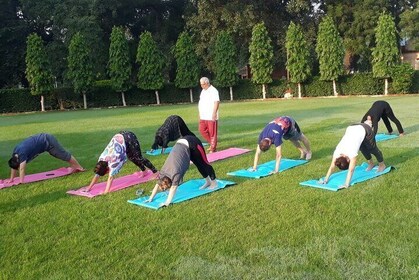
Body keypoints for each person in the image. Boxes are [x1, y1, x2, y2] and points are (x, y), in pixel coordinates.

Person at [146, 135, 217, 207]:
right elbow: (157, 184)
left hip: (192, 142)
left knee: (203, 163)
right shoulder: (162, 173)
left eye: (165, 188)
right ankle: (208, 182)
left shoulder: (176, 174)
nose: (165, 189)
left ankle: (214, 182)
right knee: (198, 164)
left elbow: (173, 188)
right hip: (183, 146)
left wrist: (167, 203)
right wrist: (150, 198)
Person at [85, 131, 158, 194]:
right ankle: (144, 171)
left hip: (129, 137)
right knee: (132, 157)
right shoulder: (101, 161)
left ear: (107, 168)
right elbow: (97, 174)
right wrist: (89, 187)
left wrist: (106, 191)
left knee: (138, 157)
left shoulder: (113, 163)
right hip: (121, 139)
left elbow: (110, 178)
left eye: (106, 172)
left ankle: (156, 172)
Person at [321, 122, 386, 189]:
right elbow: (332, 167)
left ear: (348, 160)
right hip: (353, 128)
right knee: (363, 149)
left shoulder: (352, 152)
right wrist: (325, 179)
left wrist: (346, 184)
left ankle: (382, 164)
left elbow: (351, 170)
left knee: (372, 149)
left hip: (365, 129)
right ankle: (371, 164)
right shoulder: (337, 152)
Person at [6, 133, 84, 184]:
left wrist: (21, 181)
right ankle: (74, 167)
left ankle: (80, 167)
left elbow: (22, 169)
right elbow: (14, 167)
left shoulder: (21, 154)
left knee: (62, 154)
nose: (18, 167)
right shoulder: (15, 154)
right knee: (59, 155)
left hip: (47, 140)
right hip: (43, 142)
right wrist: (11, 179)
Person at [198, 77, 220, 153]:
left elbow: (216, 102)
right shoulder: (203, 91)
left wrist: (214, 113)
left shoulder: (213, 91)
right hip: (203, 116)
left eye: (203, 84)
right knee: (202, 130)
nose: (201, 86)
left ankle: (213, 149)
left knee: (212, 133)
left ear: (207, 83)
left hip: (211, 116)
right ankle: (212, 144)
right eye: (201, 84)